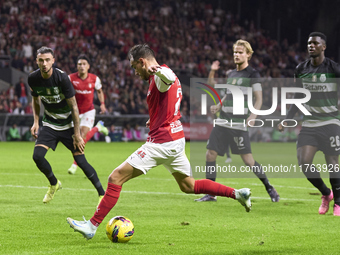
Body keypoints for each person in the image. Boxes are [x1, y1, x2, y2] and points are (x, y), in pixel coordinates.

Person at [67, 44, 252, 240]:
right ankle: (237, 194)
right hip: (175, 139)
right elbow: (167, 100)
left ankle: (91, 226)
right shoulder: (157, 78)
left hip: (162, 142)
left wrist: (159, 71)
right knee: (189, 186)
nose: (135, 72)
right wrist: (154, 118)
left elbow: (169, 78)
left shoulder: (159, 76)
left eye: (134, 67)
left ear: (142, 62)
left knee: (115, 177)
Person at [195, 40, 280, 202]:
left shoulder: (253, 74)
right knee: (210, 154)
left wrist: (253, 115)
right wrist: (219, 105)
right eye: (235, 52)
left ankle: (269, 187)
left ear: (248, 54)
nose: (237, 55)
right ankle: (210, 193)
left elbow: (259, 98)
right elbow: (228, 93)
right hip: (223, 120)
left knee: (248, 160)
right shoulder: (231, 74)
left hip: (239, 123)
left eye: (240, 52)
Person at [28, 46, 105, 204]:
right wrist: (36, 121)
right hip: (50, 124)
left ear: (53, 61)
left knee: (81, 162)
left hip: (68, 125)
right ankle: (54, 183)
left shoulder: (62, 78)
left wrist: (76, 134)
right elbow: (35, 100)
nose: (44, 63)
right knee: (37, 156)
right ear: (36, 61)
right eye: (41, 60)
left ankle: (102, 195)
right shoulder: (33, 78)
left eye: (47, 60)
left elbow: (74, 107)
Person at [278, 32, 340, 216]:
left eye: (315, 43)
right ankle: (326, 193)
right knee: (304, 162)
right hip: (310, 123)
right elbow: (298, 96)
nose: (311, 46)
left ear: (323, 47)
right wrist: (288, 119)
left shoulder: (334, 69)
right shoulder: (301, 69)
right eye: (309, 43)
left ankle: (338, 203)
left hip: (330, 121)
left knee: (332, 163)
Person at [67, 54, 108, 174]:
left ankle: (75, 164)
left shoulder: (94, 79)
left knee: (81, 135)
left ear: (88, 66)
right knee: (74, 137)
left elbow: (99, 91)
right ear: (77, 66)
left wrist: (102, 104)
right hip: (74, 111)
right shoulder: (70, 78)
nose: (81, 66)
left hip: (88, 111)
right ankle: (98, 128)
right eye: (79, 64)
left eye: (84, 64)